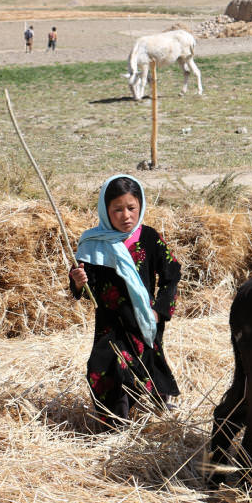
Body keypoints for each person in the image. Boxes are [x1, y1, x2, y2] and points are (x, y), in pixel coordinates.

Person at [69, 175, 181, 429]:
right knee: (105, 368)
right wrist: (78, 281)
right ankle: (114, 425)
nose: (125, 215)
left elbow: (171, 273)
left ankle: (157, 404)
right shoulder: (92, 243)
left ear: (140, 206)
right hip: (110, 321)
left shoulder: (149, 238)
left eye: (131, 208)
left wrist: (160, 311)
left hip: (144, 319)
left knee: (143, 366)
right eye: (117, 209)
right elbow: (85, 288)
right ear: (105, 210)